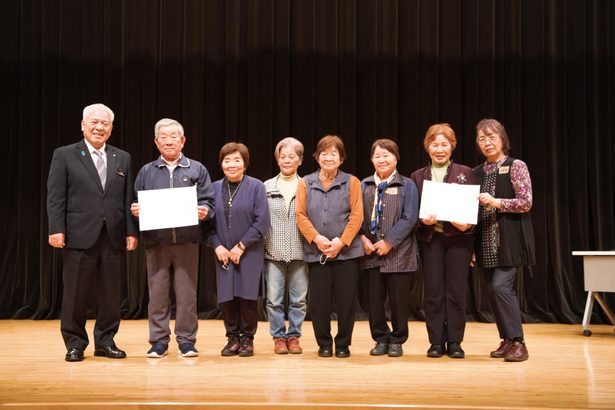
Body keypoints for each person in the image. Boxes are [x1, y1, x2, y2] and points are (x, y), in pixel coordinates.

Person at [47, 103, 138, 362]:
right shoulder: (64, 155)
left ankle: (106, 341)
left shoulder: (122, 157)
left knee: (111, 293)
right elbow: (55, 196)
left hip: (113, 235)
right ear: (83, 125)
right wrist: (56, 228)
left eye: (105, 124)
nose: (99, 127)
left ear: (111, 128)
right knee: (76, 293)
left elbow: (126, 197)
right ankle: (75, 343)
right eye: (94, 122)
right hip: (78, 234)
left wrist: (131, 232)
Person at [130, 118, 215, 358]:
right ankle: (158, 341)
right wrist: (136, 211)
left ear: (182, 140)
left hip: (187, 241)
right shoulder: (147, 171)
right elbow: (135, 201)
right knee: (157, 293)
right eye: (163, 137)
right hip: (156, 241)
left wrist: (205, 211)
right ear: (156, 143)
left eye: (173, 136)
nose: (168, 141)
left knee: (187, 293)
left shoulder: (196, 169)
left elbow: (209, 201)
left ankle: (186, 341)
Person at [410, 124, 476, 359]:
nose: (440, 149)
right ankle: (436, 341)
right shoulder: (418, 176)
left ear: (452, 146)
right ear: (427, 147)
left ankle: (455, 341)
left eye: (444, 144)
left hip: (459, 240)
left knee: (456, 291)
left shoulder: (465, 172)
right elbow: (411, 212)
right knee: (434, 292)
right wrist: (422, 221)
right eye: (435, 144)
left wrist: (467, 224)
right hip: (431, 240)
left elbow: (473, 208)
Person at [296, 135, 364, 358]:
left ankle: (343, 344)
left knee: (346, 301)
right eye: (324, 153)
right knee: (319, 303)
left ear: (341, 158)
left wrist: (341, 242)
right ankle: (323, 343)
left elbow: (357, 215)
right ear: (317, 157)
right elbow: (301, 215)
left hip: (347, 253)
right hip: (318, 252)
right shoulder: (305, 182)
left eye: (333, 154)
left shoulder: (352, 182)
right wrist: (317, 238)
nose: (328, 158)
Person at [473, 118, 535, 362]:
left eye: (492, 137)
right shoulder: (477, 172)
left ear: (502, 139)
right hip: (485, 240)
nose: (487, 143)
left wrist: (496, 202)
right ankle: (507, 339)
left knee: (501, 287)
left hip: (509, 239)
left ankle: (519, 342)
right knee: (492, 291)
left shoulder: (516, 165)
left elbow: (526, 202)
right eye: (481, 139)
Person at [207, 142, 270, 357]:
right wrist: (217, 246)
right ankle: (232, 337)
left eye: (237, 160)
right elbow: (206, 223)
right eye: (227, 160)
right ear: (221, 164)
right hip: (222, 253)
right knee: (227, 296)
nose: (232, 164)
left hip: (249, 251)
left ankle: (247, 339)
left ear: (245, 163)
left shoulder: (256, 187)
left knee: (247, 296)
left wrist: (241, 246)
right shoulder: (212, 188)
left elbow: (262, 221)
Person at [360, 139, 419, 358]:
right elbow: (354, 216)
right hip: (370, 253)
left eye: (386, 155)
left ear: (396, 158)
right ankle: (380, 338)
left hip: (399, 254)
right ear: (371, 160)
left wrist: (389, 242)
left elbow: (410, 217)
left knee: (398, 302)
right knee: (373, 302)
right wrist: (362, 239)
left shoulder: (407, 185)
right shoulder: (363, 184)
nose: (382, 160)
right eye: (377, 156)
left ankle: (397, 339)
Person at [263, 137, 308, 354]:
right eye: (283, 157)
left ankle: (294, 336)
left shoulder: (308, 185)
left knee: (299, 300)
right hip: (273, 252)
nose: (287, 160)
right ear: (277, 160)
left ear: (300, 160)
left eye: (292, 157)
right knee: (274, 300)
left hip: (301, 251)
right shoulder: (266, 187)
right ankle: (279, 337)